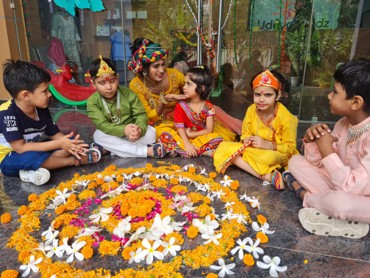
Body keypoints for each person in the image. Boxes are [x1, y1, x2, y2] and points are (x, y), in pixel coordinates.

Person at [284, 59, 370, 239]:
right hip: (341, 186)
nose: (329, 96)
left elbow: (352, 187)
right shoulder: (343, 124)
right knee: (295, 162)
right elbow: (316, 164)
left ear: (355, 102)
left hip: (361, 198)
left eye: (335, 92)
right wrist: (313, 140)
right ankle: (331, 210)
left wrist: (327, 149)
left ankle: (306, 197)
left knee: (340, 203)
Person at [0, 60, 100, 186]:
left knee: (70, 139)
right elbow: (20, 148)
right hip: (11, 157)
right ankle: (72, 161)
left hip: (37, 148)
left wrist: (71, 144)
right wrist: (61, 144)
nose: (49, 94)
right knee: (29, 158)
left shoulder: (41, 108)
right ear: (26, 95)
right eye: (45, 91)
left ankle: (35, 169)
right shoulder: (7, 113)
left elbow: (55, 134)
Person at [128, 37, 242, 141]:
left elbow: (196, 89)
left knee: (212, 112)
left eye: (163, 64)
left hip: (185, 115)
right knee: (168, 137)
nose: (162, 70)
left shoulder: (175, 75)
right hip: (160, 123)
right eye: (156, 66)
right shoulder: (136, 85)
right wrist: (163, 101)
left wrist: (192, 99)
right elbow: (148, 117)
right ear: (144, 69)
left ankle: (241, 133)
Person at [213, 69, 299, 190]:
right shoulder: (251, 110)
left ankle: (263, 173)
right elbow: (245, 133)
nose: (261, 100)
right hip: (254, 150)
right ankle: (268, 176)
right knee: (223, 147)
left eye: (268, 95)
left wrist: (269, 145)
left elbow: (290, 148)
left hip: (276, 153)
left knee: (265, 158)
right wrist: (247, 139)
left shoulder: (286, 117)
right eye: (257, 95)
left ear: (278, 95)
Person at [87, 56, 165, 158]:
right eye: (102, 83)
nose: (109, 87)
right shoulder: (92, 102)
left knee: (151, 133)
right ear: (94, 84)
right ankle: (146, 151)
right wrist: (124, 130)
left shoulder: (128, 94)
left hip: (133, 133)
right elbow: (103, 125)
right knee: (98, 135)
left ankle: (108, 149)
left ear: (117, 79)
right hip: (111, 134)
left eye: (112, 81)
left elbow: (140, 114)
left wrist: (139, 130)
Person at [159, 65, 223, 157]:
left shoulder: (208, 106)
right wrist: (187, 143)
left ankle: (180, 151)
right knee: (165, 136)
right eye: (184, 83)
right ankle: (200, 151)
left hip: (200, 138)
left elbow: (209, 130)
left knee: (217, 138)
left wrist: (191, 135)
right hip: (183, 137)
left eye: (189, 84)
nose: (184, 87)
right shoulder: (180, 105)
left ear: (202, 88)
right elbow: (180, 128)